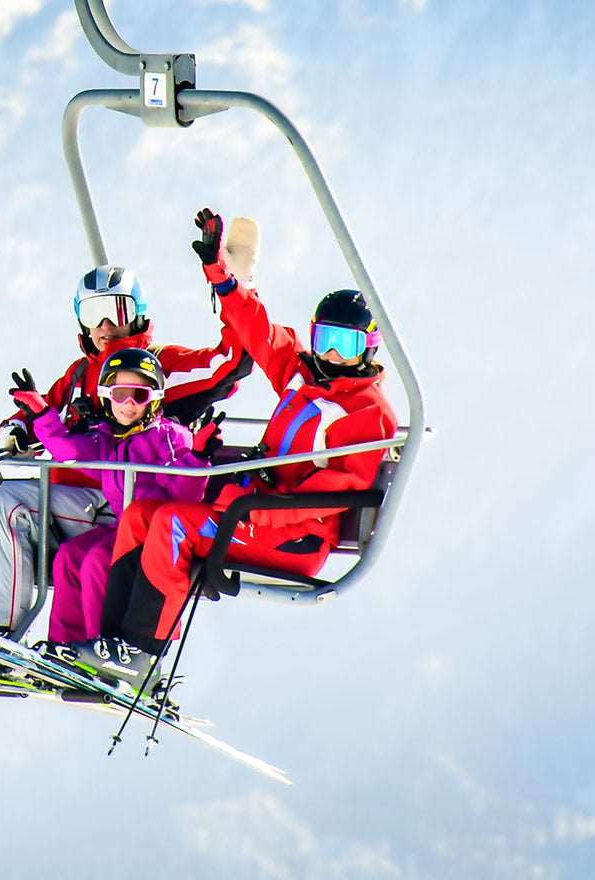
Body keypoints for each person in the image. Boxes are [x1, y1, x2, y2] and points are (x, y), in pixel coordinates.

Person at [75, 209, 399, 688]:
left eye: (344, 344)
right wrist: (220, 274)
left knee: (170, 525)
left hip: (296, 534)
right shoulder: (301, 374)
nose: (331, 355)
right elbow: (257, 329)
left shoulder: (366, 413)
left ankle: (141, 653)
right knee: (141, 513)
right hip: (251, 510)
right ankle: (111, 641)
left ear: (368, 348)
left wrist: (249, 509)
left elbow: (334, 493)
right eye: (324, 339)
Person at [0, 264, 252, 664]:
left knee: (8, 507)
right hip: (69, 497)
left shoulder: (159, 365)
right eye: (93, 314)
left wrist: (232, 283)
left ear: (139, 315)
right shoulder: (78, 376)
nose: (106, 324)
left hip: (117, 503)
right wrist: (16, 431)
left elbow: (231, 362)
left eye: (117, 311)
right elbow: (40, 415)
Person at [8, 349, 222, 656]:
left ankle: (103, 647)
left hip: (155, 533)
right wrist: (42, 414)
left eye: (139, 395)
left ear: (155, 398)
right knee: (69, 556)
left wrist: (197, 458)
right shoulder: (108, 438)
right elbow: (70, 451)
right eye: (120, 394)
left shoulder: (169, 437)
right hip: (125, 528)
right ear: (107, 396)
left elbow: (185, 497)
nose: (129, 404)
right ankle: (65, 644)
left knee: (97, 561)